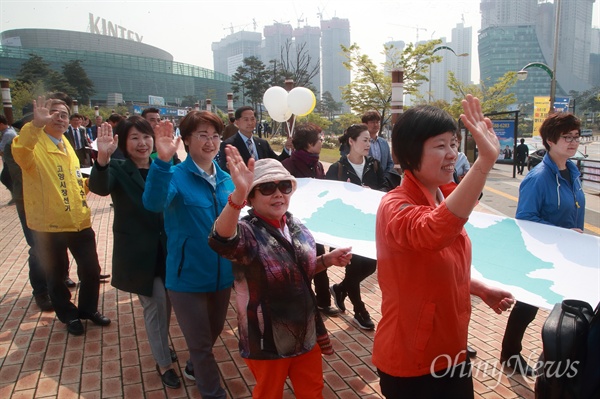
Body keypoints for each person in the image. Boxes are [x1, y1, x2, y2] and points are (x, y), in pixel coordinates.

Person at [373, 96, 515, 398]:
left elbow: (439, 264)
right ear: (410, 154)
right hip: (412, 359)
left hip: (452, 349)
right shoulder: (394, 204)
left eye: (454, 143)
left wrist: (478, 288)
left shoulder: (443, 193)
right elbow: (435, 231)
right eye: (440, 145)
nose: (452, 153)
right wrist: (484, 163)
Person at [208, 149, 352, 399]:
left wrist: (326, 260)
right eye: (266, 188)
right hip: (266, 341)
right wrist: (236, 197)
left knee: (312, 391)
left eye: (284, 186)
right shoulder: (247, 233)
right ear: (251, 198)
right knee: (269, 394)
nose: (278, 194)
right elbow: (221, 240)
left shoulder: (295, 225)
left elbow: (298, 271)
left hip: (304, 333)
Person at [143, 111, 232, 399]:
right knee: (201, 343)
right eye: (202, 135)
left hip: (222, 274)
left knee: (214, 330)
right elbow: (153, 203)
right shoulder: (175, 175)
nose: (210, 142)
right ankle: (212, 392)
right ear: (188, 139)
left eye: (215, 135)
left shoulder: (227, 179)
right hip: (186, 277)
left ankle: (193, 366)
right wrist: (163, 161)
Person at [88, 116, 180, 389]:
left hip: (168, 248)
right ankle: (163, 362)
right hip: (138, 253)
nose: (142, 143)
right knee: (155, 304)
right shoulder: (116, 169)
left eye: (146, 137)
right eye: (134, 138)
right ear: (123, 143)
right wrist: (102, 159)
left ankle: (161, 344)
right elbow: (99, 187)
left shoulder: (164, 164)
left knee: (168, 302)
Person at [12, 96, 110, 336]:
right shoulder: (31, 145)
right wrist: (34, 126)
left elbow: (73, 182)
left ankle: (88, 310)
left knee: (91, 270)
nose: (59, 118)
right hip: (49, 226)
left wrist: (92, 182)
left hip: (78, 221)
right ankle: (68, 315)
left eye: (64, 114)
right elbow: (21, 151)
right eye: (53, 113)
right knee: (56, 276)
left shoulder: (66, 146)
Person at [501, 113, 586, 377]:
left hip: (569, 253)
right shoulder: (538, 178)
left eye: (575, 137)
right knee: (527, 307)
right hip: (541, 254)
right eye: (566, 137)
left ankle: (558, 358)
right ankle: (510, 354)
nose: (572, 142)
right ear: (550, 140)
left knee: (567, 308)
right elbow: (524, 219)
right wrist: (562, 233)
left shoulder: (572, 170)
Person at [325, 123, 385, 330]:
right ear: (351, 141)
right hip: (345, 229)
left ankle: (340, 289)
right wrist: (351, 195)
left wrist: (372, 192)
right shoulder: (337, 168)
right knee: (352, 270)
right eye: (364, 140)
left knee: (370, 266)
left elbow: (387, 190)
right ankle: (360, 311)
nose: (368, 144)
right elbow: (329, 199)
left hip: (369, 227)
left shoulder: (375, 165)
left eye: (369, 140)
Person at [281, 123, 339, 317]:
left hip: (316, 221)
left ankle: (323, 301)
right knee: (298, 263)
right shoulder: (287, 166)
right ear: (308, 144)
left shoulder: (318, 164)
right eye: (319, 139)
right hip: (294, 223)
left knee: (320, 260)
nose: (322, 142)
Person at [3, 119, 52, 311]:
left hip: (53, 204)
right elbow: (21, 174)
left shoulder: (56, 142)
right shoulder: (14, 146)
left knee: (56, 244)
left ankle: (59, 278)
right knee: (38, 247)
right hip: (30, 205)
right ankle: (41, 291)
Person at [217, 106, 291, 172]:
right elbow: (225, 170)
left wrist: (286, 149)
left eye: (252, 119)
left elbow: (276, 162)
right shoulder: (229, 145)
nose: (250, 123)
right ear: (237, 122)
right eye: (246, 120)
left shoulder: (263, 143)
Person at [0, 114, 17, 204]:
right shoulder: (9, 131)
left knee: (4, 178)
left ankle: (17, 196)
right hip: (9, 160)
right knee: (9, 179)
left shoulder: (8, 134)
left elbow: (2, 150)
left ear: (1, 124)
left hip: (10, 161)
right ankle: (15, 196)